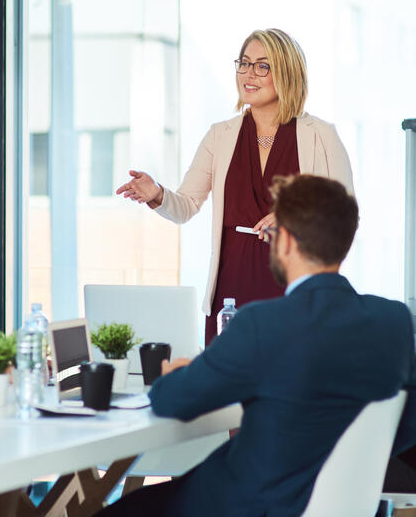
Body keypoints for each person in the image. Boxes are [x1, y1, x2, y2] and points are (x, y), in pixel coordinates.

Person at [97, 175, 416, 516]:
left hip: (248, 504)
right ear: (345, 242)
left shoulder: (263, 323)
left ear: (288, 242)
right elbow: (408, 422)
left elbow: (170, 400)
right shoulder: (394, 320)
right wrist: (340, 465)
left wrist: (177, 375)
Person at [116, 28, 354, 345]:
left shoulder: (321, 135)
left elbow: (344, 217)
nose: (248, 74)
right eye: (243, 63)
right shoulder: (220, 135)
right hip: (232, 286)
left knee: (291, 380)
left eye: (262, 66)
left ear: (286, 72)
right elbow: (186, 205)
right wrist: (157, 194)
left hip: (296, 283)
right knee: (228, 384)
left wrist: (298, 222)